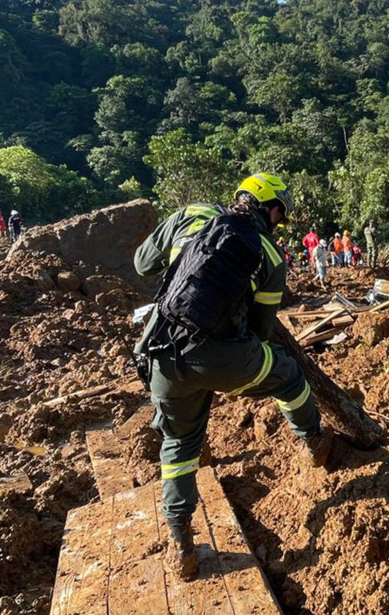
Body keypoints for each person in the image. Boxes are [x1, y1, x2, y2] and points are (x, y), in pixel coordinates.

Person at [132, 173, 334, 581]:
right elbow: (259, 334)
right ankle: (314, 441)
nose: (280, 219)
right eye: (280, 211)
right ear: (267, 206)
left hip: (160, 353)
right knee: (290, 376)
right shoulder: (270, 256)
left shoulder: (189, 214)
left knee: (180, 443)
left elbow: (142, 265)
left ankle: (182, 546)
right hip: (222, 358)